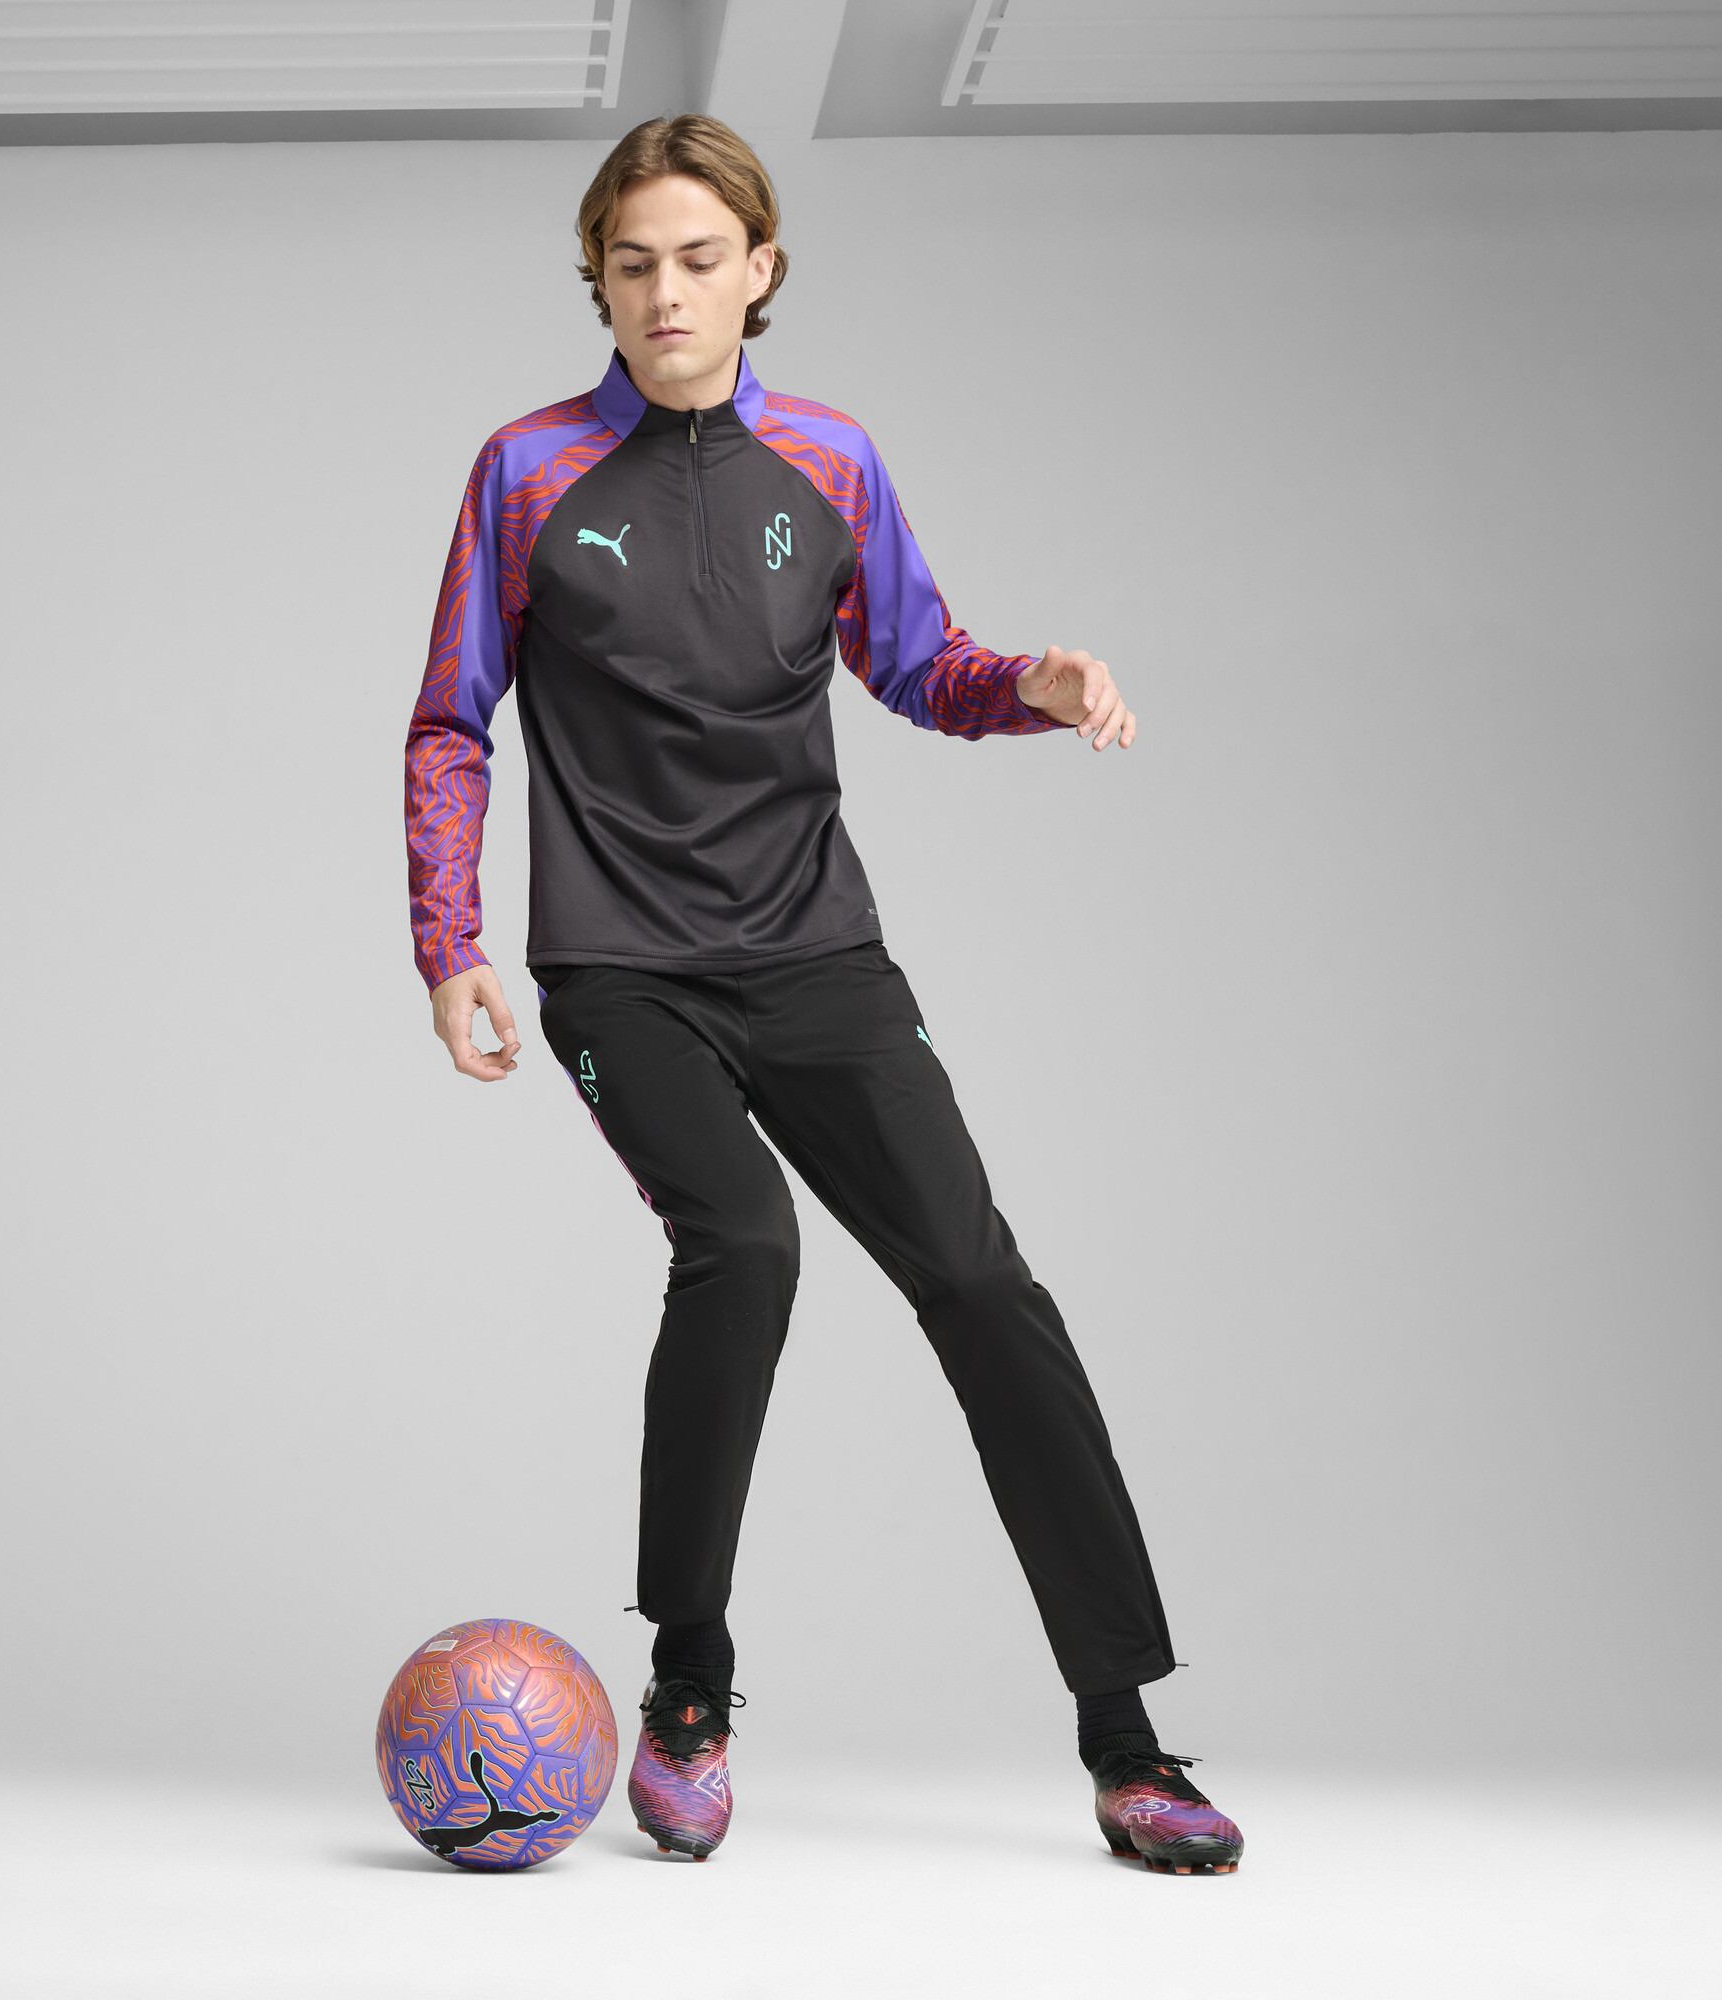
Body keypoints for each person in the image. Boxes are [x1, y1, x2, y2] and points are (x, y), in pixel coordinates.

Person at [405, 114, 1243, 1877]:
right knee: (747, 1247)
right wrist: (452, 942)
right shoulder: (527, 470)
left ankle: (1126, 1742)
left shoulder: (833, 461)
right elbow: (451, 719)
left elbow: (921, 666)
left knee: (985, 1288)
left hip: (816, 953)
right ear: (599, 282)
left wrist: (1034, 685)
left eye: (700, 260)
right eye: (634, 263)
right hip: (621, 967)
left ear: (761, 271)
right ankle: (689, 1689)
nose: (666, 292)